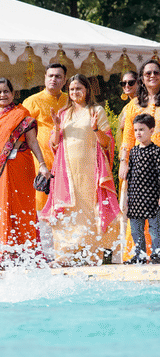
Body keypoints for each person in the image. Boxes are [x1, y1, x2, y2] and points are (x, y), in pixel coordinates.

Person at [40, 74, 121, 266]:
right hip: (66, 170)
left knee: (90, 209)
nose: (75, 92)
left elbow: (107, 143)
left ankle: (92, 256)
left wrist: (96, 129)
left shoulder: (96, 111)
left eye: (78, 88)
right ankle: (65, 255)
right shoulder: (63, 113)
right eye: (72, 89)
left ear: (87, 90)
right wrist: (56, 127)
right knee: (67, 210)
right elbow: (54, 144)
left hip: (90, 169)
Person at [0, 78, 49, 263]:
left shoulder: (21, 113)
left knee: (20, 207)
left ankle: (25, 252)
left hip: (19, 167)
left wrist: (42, 164)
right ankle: (2, 253)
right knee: (1, 208)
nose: (2, 95)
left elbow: (32, 141)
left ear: (13, 93)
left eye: (6, 91)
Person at [22, 63, 69, 211]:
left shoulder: (70, 99)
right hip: (42, 159)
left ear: (65, 80)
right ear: (45, 78)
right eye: (50, 76)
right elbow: (22, 131)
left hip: (67, 157)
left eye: (58, 76)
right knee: (42, 201)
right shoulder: (32, 101)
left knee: (66, 203)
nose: (53, 79)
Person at [120, 114, 160, 264]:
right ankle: (140, 256)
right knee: (136, 230)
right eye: (136, 130)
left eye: (142, 129)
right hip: (136, 198)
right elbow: (131, 177)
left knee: (154, 229)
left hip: (152, 197)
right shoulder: (134, 152)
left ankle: (157, 255)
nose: (138, 133)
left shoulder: (156, 152)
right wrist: (128, 198)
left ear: (152, 130)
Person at [117, 70, 139, 141]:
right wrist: (122, 127)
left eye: (131, 82)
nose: (127, 86)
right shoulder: (126, 108)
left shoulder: (144, 104)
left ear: (138, 83)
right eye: (123, 83)